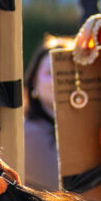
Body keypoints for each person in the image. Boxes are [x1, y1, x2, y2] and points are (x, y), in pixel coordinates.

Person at [22, 35, 72, 191]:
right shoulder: (28, 135)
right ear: (34, 82)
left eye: (69, 73)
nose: (60, 80)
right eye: (50, 72)